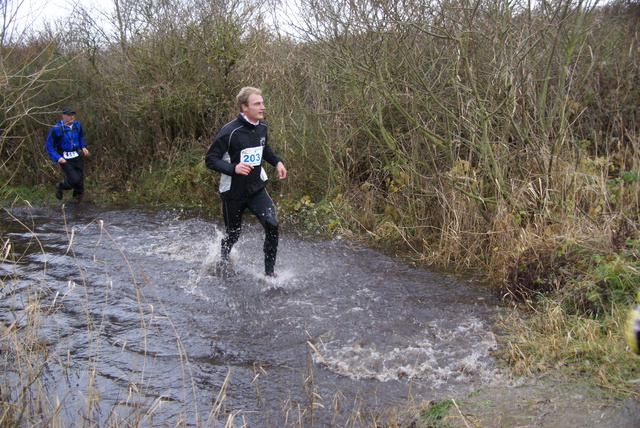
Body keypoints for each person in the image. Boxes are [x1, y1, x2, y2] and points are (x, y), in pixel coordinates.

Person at [205, 87, 287, 277]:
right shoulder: (229, 132)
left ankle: (270, 273)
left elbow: (264, 148)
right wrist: (234, 168)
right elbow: (210, 159)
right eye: (257, 104)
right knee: (233, 234)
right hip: (233, 193)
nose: (262, 107)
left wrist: (277, 162)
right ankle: (223, 261)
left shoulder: (262, 127)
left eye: (262, 103)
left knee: (272, 225)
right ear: (244, 108)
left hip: (256, 188)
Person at [45, 107, 89, 203]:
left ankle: (76, 203)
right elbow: (49, 147)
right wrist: (57, 158)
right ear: (63, 116)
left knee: (80, 182)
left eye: (73, 115)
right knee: (74, 180)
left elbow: (81, 136)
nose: (72, 117)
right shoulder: (56, 129)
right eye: (69, 115)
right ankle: (60, 186)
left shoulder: (77, 125)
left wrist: (83, 147)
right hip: (64, 158)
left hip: (76, 156)